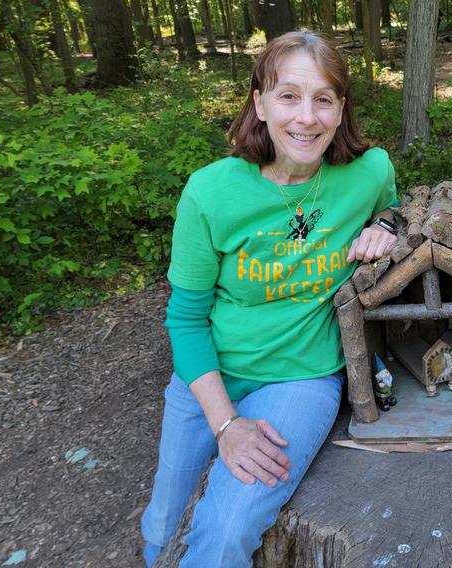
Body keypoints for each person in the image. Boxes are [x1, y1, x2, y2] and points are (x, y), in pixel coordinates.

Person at [141, 31, 398, 567]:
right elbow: (185, 322)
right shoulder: (211, 192)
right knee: (165, 521)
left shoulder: (369, 170)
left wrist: (384, 223)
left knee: (227, 527)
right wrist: (226, 425)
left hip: (300, 377)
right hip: (208, 376)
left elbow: (395, 210)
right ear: (259, 102)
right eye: (288, 96)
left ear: (341, 108)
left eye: (323, 98)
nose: (306, 117)